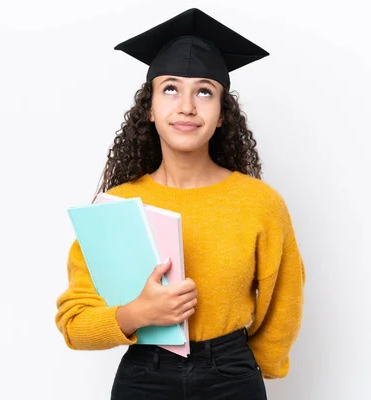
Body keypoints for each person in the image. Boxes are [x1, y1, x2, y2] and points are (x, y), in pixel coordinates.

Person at [55, 8, 305, 399]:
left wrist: (247, 365)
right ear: (150, 110)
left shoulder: (259, 204)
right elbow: (75, 322)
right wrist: (138, 315)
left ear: (222, 114)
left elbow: (283, 303)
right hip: (144, 378)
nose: (187, 106)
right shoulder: (117, 206)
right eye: (170, 88)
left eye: (204, 91)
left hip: (232, 376)